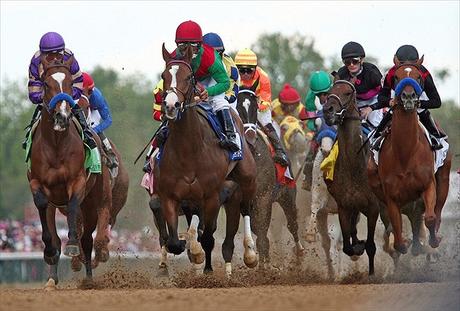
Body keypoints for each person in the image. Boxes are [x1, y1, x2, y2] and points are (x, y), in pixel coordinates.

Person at [143, 20, 235, 173]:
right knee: (173, 107)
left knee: (219, 101)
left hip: (210, 79)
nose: (187, 50)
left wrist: (209, 92)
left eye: (192, 46)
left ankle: (231, 136)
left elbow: (225, 83)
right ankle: (152, 154)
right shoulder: (175, 57)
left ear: (200, 44)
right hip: (187, 80)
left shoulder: (210, 57)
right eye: (182, 46)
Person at [23, 32, 96, 150]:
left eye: (58, 54)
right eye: (50, 57)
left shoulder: (69, 57)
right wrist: (48, 96)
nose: (55, 59)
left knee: (78, 111)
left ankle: (87, 135)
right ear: (43, 55)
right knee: (36, 119)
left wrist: (67, 98)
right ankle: (29, 140)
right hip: (47, 95)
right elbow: (33, 91)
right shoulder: (36, 61)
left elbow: (78, 82)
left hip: (68, 94)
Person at [369, 45, 444, 150]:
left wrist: (420, 103)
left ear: (418, 63)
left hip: (417, 97)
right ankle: (376, 137)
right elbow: (381, 98)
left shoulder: (424, 73)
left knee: (422, 111)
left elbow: (437, 102)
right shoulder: (390, 73)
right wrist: (389, 102)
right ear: (396, 63)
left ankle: (436, 137)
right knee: (388, 117)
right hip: (398, 99)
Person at [235, 48, 290, 167]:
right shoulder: (232, 75)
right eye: (241, 70)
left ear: (255, 68)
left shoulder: (263, 77)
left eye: (249, 71)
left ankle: (280, 151)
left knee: (266, 122)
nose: (245, 74)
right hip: (238, 102)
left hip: (258, 103)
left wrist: (258, 106)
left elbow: (265, 97)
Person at [334, 41, 384, 128]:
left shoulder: (372, 73)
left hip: (375, 100)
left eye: (355, 61)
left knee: (375, 122)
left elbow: (385, 95)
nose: (351, 65)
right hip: (354, 101)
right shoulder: (342, 74)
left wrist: (371, 108)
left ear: (362, 60)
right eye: (347, 62)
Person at [302, 71, 335, 191]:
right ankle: (308, 177)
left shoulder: (336, 93)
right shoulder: (310, 100)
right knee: (312, 148)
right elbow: (310, 121)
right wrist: (315, 126)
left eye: (325, 94)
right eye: (319, 94)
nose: (322, 97)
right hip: (320, 130)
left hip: (335, 126)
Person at [81, 72, 119, 169]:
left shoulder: (96, 98)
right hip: (77, 108)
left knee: (92, 125)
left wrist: (95, 130)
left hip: (93, 110)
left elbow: (108, 120)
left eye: (89, 92)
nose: (85, 95)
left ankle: (109, 151)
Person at [202, 32, 240, 108]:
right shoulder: (194, 60)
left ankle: (228, 120)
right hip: (201, 93)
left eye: (217, 53)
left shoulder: (230, 66)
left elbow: (231, 92)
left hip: (222, 95)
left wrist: (223, 98)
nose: (214, 58)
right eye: (209, 54)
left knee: (220, 102)